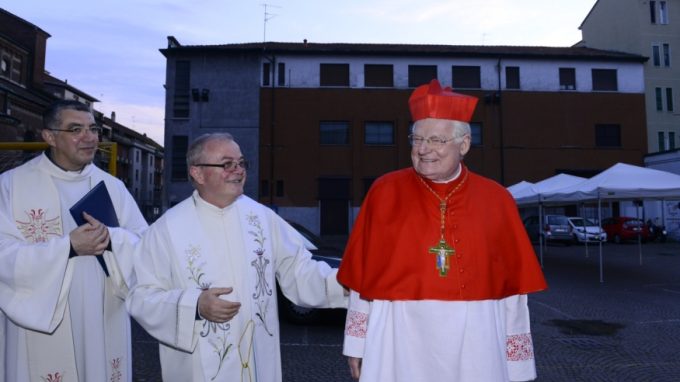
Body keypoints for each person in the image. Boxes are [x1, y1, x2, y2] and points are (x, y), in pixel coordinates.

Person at [337, 79, 548, 382]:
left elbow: (512, 291)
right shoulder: (384, 192)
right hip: (398, 337)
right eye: (417, 139)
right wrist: (356, 344)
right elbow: (362, 278)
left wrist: (517, 363)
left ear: (463, 144)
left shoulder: (497, 199)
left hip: (477, 341)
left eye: (436, 140)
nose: (424, 150)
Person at [126, 132, 347, 382]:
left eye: (241, 163)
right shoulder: (166, 229)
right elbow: (140, 295)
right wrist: (195, 305)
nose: (238, 170)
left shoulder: (263, 218)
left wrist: (347, 281)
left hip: (257, 359)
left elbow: (299, 270)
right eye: (226, 164)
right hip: (197, 367)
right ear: (197, 173)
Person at [0, 100, 148, 381]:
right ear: (49, 136)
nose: (89, 137)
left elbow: (146, 247)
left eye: (93, 129)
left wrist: (112, 238)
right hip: (39, 323)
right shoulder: (11, 186)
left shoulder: (113, 187)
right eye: (76, 129)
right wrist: (67, 247)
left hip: (102, 315)